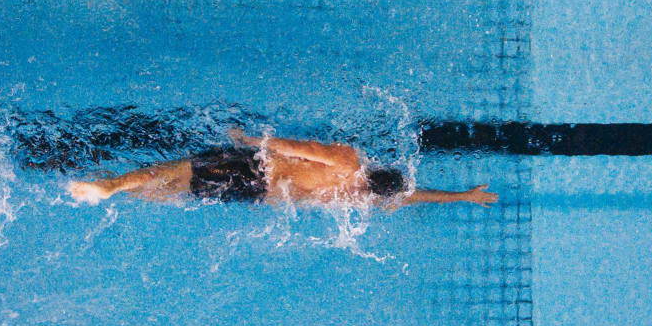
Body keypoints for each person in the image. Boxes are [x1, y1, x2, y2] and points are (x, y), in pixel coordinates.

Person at [68, 129, 497, 209]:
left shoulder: (350, 162)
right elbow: (408, 196)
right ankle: (119, 191)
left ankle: (110, 185)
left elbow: (301, 148)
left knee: (174, 169)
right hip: (255, 195)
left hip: (254, 170)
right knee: (174, 191)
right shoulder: (356, 196)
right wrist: (463, 196)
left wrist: (255, 142)